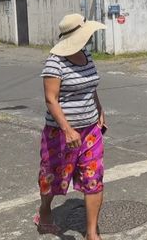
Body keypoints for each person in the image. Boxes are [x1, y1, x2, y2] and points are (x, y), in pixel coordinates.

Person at [33, 13, 107, 240]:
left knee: (94, 177)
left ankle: (92, 233)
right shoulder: (55, 62)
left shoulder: (86, 54)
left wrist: (99, 109)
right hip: (60, 134)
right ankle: (45, 212)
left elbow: (90, 86)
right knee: (52, 177)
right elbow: (51, 99)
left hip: (90, 131)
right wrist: (67, 129)